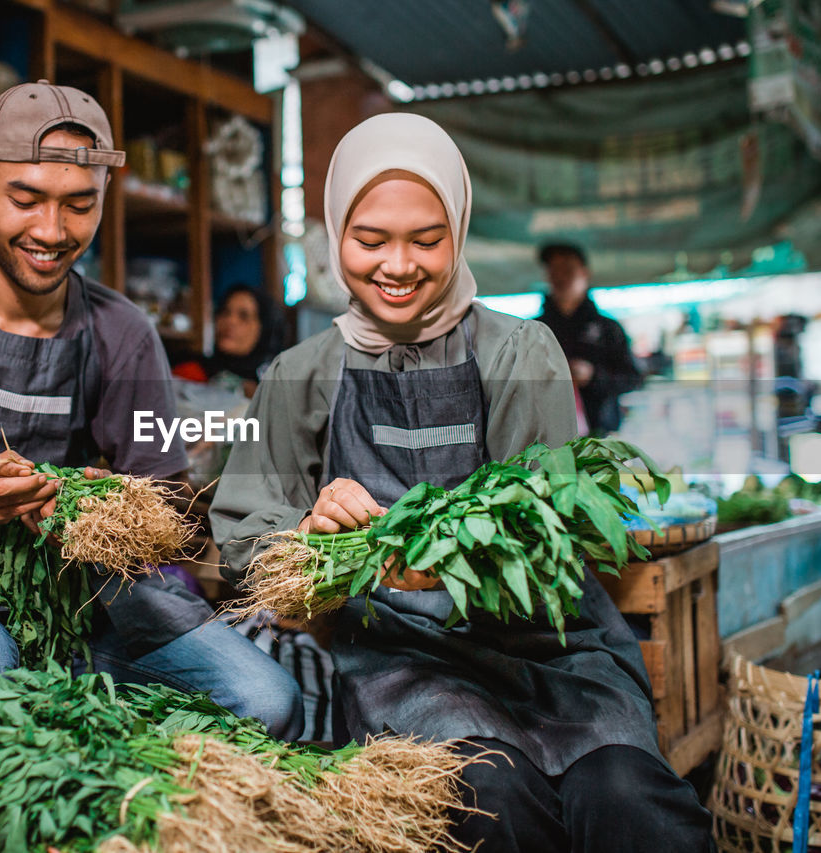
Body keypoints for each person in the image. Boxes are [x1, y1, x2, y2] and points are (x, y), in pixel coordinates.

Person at [210, 113, 714, 851]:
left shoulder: (520, 351)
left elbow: (539, 530)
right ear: (335, 234)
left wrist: (441, 558)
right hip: (403, 661)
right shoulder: (297, 375)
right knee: (492, 794)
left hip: (551, 650)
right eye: (370, 239)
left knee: (626, 797)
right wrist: (309, 541)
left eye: (427, 238)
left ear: (460, 229)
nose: (398, 264)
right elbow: (243, 548)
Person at [0, 80, 301, 739]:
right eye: (26, 198)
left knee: (262, 695)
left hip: (78, 584)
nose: (51, 230)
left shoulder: (122, 330)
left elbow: (176, 510)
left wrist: (122, 506)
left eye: (78, 205)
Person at [536, 242, 642, 435]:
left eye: (567, 269)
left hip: (601, 438)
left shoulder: (608, 329)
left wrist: (593, 375)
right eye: (554, 270)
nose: (560, 276)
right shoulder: (534, 331)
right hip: (547, 440)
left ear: (585, 273)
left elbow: (632, 379)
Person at [172, 283, 284, 398]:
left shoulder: (276, 386)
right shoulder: (192, 373)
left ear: (264, 330)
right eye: (225, 312)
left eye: (243, 316)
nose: (230, 321)